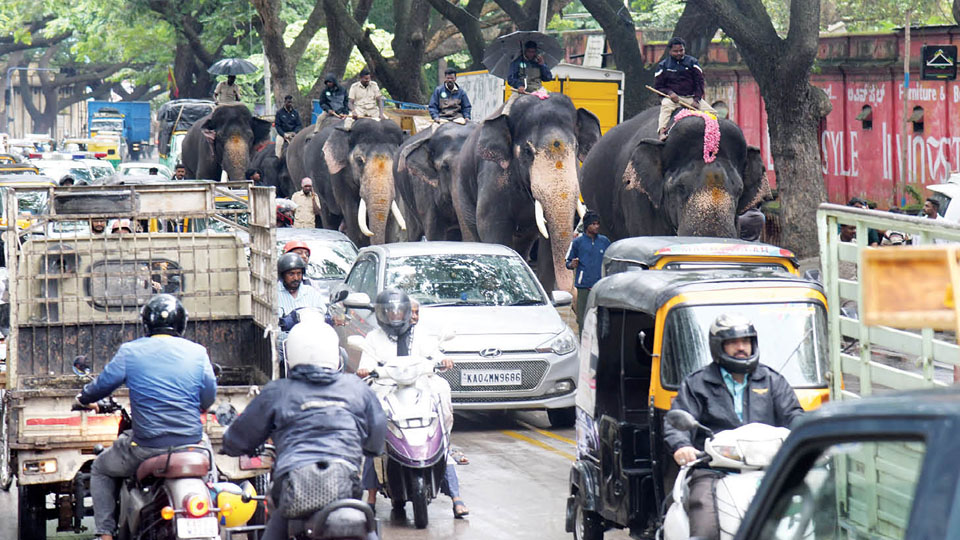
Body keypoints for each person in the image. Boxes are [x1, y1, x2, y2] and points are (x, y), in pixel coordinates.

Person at [222, 321, 385, 540]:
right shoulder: (358, 388)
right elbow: (376, 440)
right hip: (345, 485)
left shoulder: (277, 392)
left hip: (292, 486)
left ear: (292, 354)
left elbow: (239, 439)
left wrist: (230, 445)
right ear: (335, 353)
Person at [76, 294, 217, 540]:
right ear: (182, 324)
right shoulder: (198, 352)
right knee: (211, 466)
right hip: (192, 444)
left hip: (147, 447)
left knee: (99, 468)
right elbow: (208, 398)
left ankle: (105, 533)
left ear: (146, 324)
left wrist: (83, 399)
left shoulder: (131, 351)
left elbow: (102, 386)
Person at [663, 314, 803, 540]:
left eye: (745, 341)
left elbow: (794, 415)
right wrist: (682, 446)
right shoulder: (697, 383)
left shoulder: (772, 380)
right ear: (718, 347)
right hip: (714, 469)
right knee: (704, 522)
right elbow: (678, 421)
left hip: (768, 468)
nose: (741, 348)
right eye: (733, 342)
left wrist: (806, 437)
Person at [355, 290, 469, 518]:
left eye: (400, 311)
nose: (396, 316)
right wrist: (365, 370)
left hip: (418, 390)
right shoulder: (373, 338)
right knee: (375, 435)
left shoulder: (421, 336)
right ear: (382, 313)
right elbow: (365, 364)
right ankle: (370, 496)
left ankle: (456, 496)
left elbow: (434, 355)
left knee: (439, 425)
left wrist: (442, 361)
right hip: (386, 390)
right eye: (391, 311)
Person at [654, 37, 717, 141]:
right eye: (675, 51)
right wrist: (670, 93)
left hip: (691, 97)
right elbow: (658, 87)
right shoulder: (663, 65)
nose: (679, 53)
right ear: (670, 51)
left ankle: (713, 136)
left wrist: (696, 100)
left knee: (713, 113)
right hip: (672, 99)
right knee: (665, 108)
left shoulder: (692, 62)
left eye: (681, 50)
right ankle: (662, 132)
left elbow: (700, 83)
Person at [565, 212, 611, 335]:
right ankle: (583, 344)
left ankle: (599, 345)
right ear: (587, 226)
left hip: (600, 286)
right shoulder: (577, 242)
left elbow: (610, 260)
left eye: (597, 224)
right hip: (583, 287)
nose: (596, 227)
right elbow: (568, 262)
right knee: (582, 318)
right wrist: (572, 264)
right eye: (593, 224)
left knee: (600, 317)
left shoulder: (604, 241)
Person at [277, 252, 326, 319]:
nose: (296, 278)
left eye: (299, 273)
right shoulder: (274, 294)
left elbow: (323, 315)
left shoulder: (311, 293)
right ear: (282, 275)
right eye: (291, 274)